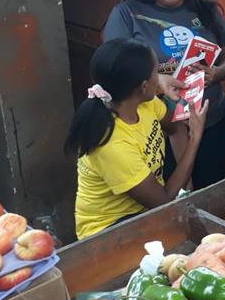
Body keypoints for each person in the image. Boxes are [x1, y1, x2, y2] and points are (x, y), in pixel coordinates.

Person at [104, 0, 225, 190]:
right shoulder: (127, 14)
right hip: (157, 130)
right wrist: (157, 82)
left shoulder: (206, 10)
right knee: (170, 201)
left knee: (211, 193)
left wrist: (218, 72)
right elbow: (114, 72)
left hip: (210, 122)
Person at [68, 39, 208, 239]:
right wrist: (195, 137)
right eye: (156, 73)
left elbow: (175, 127)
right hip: (108, 231)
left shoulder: (144, 104)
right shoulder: (111, 144)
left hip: (146, 211)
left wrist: (186, 187)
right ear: (143, 86)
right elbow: (164, 201)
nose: (159, 78)